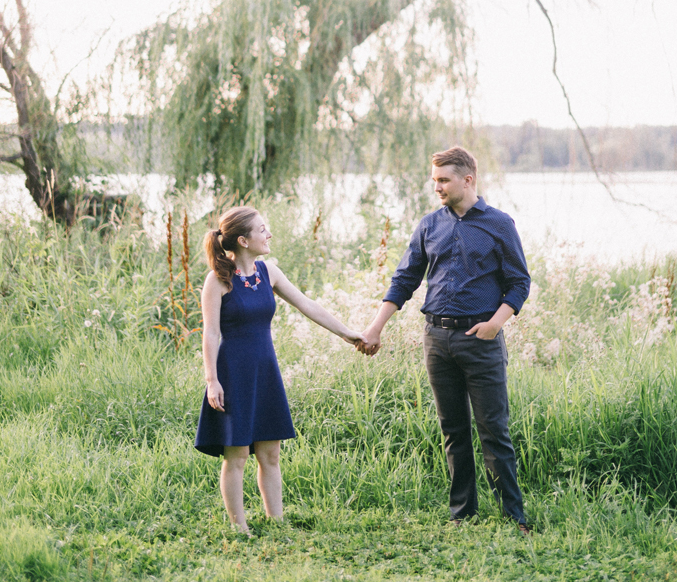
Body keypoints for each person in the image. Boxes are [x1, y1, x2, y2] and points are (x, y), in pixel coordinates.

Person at [358, 146, 531, 531]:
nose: (436, 186)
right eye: (434, 179)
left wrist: (496, 324)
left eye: (443, 180)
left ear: (467, 180)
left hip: (480, 339)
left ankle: (514, 516)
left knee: (493, 431)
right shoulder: (428, 225)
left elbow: (520, 282)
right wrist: (375, 327)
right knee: (453, 430)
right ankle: (462, 514)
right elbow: (404, 280)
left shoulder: (499, 224)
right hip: (436, 338)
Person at [195, 205, 362, 533]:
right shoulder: (218, 280)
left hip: (265, 371)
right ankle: (238, 527)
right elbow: (210, 333)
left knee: (271, 453)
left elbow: (307, 305)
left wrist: (347, 333)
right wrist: (212, 380)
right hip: (232, 374)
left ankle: (277, 521)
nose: (269, 234)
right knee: (238, 455)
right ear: (243, 240)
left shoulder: (268, 271)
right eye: (262, 230)